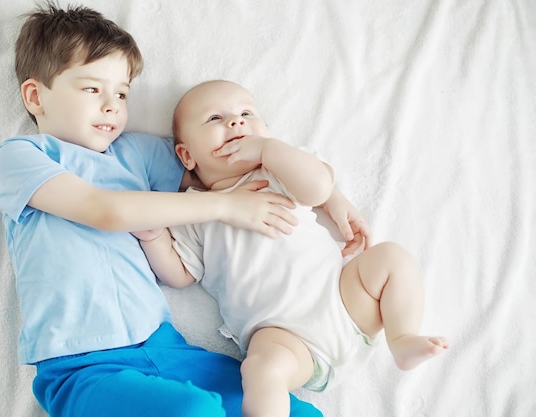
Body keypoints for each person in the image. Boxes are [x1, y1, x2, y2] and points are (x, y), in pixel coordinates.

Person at [0, 4, 331, 417]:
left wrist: (333, 197)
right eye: (91, 89)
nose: (111, 106)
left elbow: (228, 165)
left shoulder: (138, 153)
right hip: (82, 365)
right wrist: (226, 206)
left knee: (297, 413)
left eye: (121, 93)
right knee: (192, 410)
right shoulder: (24, 156)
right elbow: (103, 210)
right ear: (35, 96)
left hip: (165, 347)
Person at [135, 80, 450, 417]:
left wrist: (270, 151)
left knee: (391, 258)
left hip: (343, 301)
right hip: (283, 338)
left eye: (246, 113)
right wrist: (153, 237)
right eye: (215, 119)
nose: (235, 122)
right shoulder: (196, 211)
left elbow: (318, 188)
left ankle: (402, 339)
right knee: (260, 371)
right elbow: (181, 274)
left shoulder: (278, 171)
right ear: (187, 155)